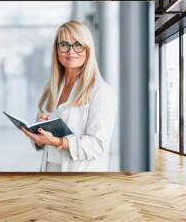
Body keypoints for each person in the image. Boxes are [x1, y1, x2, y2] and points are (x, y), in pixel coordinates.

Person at [20, 21, 116, 172]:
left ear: (87, 50)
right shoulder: (51, 88)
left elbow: (97, 145)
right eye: (64, 45)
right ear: (57, 50)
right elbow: (42, 144)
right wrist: (37, 134)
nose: (71, 52)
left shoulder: (101, 91)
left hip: (80, 179)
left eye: (78, 45)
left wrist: (58, 142)